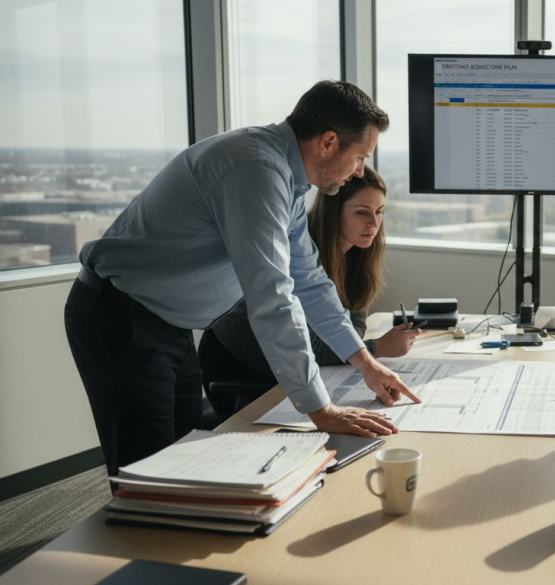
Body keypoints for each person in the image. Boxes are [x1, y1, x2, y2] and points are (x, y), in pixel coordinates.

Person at [64, 80, 420, 480]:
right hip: (120, 316)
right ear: (328, 142)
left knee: (177, 467)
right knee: (144, 477)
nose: (359, 170)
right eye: (359, 157)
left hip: (167, 325)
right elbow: (273, 298)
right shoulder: (257, 169)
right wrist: (321, 410)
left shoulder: (285, 177)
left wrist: (366, 363)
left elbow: (307, 278)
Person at [199, 167, 420, 420]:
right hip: (240, 365)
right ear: (333, 213)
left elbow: (351, 328)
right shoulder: (301, 251)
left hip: (289, 363)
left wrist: (363, 349)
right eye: (362, 212)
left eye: (379, 212)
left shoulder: (358, 254)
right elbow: (305, 342)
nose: (374, 223)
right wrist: (376, 348)